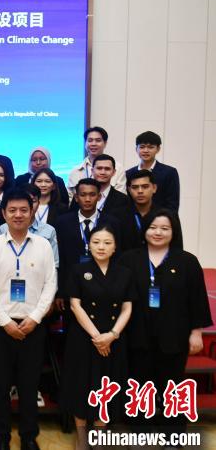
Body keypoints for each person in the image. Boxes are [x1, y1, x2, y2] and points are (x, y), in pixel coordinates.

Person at [119, 210, 212, 439]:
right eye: (153, 227)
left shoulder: (187, 261)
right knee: (140, 385)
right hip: (137, 334)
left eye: (164, 228)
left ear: (174, 231)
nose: (157, 232)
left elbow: (197, 299)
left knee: (173, 386)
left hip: (174, 335)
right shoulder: (129, 259)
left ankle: (174, 435)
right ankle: (140, 433)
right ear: (145, 229)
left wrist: (196, 332)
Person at [0, 188, 56, 450]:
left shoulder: (43, 245)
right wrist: (5, 322)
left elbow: (50, 284)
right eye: (12, 210)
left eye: (24, 210)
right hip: (0, 325)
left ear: (32, 212)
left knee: (29, 384)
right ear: (3, 214)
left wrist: (35, 318)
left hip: (32, 325)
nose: (18, 215)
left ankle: (28, 436)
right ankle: (2, 436)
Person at [60, 224, 133, 449]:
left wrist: (112, 335)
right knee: (80, 385)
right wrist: (97, 337)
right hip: (84, 338)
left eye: (107, 243)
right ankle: (82, 436)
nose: (101, 247)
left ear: (115, 247)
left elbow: (127, 308)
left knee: (106, 384)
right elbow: (75, 305)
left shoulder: (125, 273)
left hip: (113, 338)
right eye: (96, 242)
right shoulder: (78, 270)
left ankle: (99, 434)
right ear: (89, 245)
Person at [55, 178, 122, 312]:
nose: (87, 199)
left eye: (92, 195)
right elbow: (60, 258)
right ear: (76, 197)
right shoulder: (62, 222)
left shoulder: (112, 222)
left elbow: (117, 256)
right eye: (83, 195)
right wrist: (60, 292)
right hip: (71, 285)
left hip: (103, 285)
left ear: (99, 197)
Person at [0, 183, 60, 270]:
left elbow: (54, 264)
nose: (29, 204)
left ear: (38, 203)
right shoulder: (3, 228)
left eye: (33, 201)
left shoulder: (49, 231)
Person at [125, 131, 180, 212]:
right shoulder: (128, 174)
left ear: (158, 149)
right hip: (134, 218)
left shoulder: (169, 172)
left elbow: (172, 203)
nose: (146, 150)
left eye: (150, 147)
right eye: (142, 147)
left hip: (161, 218)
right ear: (136, 149)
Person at [67, 127, 126, 198]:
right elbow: (70, 198)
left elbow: (120, 197)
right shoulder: (75, 171)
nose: (93, 144)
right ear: (85, 143)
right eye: (90, 140)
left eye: (98, 140)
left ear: (105, 143)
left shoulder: (118, 168)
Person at [70, 154, 129, 218]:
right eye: (99, 168)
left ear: (114, 172)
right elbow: (71, 218)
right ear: (92, 171)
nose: (103, 172)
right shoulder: (80, 196)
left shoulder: (123, 200)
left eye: (107, 169)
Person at [123, 169, 158, 249]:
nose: (140, 191)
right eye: (135, 187)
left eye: (145, 187)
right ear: (129, 190)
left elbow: (176, 249)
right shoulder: (119, 217)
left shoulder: (166, 215)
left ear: (154, 188)